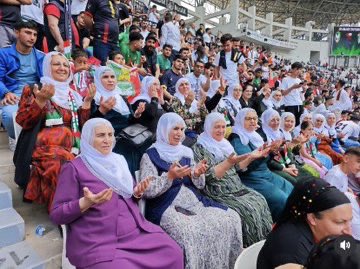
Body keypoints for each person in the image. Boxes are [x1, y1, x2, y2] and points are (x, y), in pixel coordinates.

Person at [50, 118, 184, 269]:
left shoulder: (118, 161)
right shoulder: (75, 168)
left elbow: (128, 195)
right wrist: (86, 203)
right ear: (88, 138)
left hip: (137, 233)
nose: (107, 140)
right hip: (99, 242)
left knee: (173, 253)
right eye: (101, 135)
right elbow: (57, 215)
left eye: (110, 134)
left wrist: (137, 193)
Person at [139, 113, 243, 269]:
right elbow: (147, 190)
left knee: (231, 217)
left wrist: (197, 174)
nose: (179, 133)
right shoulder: (150, 155)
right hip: (166, 205)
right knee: (190, 232)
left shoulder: (186, 152)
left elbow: (200, 185)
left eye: (182, 129)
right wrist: (169, 177)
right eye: (175, 128)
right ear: (163, 129)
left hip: (193, 201)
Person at [15, 52, 93, 211]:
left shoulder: (73, 95)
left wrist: (87, 103)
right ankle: (64, 212)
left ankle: (90, 208)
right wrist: (41, 100)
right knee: (62, 162)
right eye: (56, 64)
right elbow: (23, 121)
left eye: (65, 65)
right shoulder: (35, 89)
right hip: (45, 150)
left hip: (73, 147)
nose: (62, 68)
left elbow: (81, 126)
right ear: (47, 67)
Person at [193, 112, 273, 247]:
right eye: (217, 127)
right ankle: (249, 249)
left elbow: (237, 167)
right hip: (218, 192)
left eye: (223, 127)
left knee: (260, 200)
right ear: (208, 127)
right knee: (248, 211)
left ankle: (265, 245)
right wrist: (228, 163)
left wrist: (253, 157)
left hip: (237, 187)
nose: (221, 130)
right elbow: (207, 177)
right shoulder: (200, 147)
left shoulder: (225, 144)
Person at [257, 177, 352, 269]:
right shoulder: (293, 250)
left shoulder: (320, 235)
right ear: (313, 218)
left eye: (349, 221)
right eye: (340, 222)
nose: (348, 231)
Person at [228, 108, 294, 221]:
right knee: (280, 199)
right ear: (240, 120)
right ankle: (279, 226)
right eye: (248, 119)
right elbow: (246, 168)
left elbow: (266, 162)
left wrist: (272, 152)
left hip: (265, 173)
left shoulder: (255, 136)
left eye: (254, 118)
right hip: (251, 178)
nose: (253, 121)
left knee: (291, 189)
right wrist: (266, 153)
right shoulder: (237, 138)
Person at [90, 66, 146, 173]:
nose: (110, 80)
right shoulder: (95, 98)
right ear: (97, 79)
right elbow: (89, 125)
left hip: (129, 145)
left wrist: (137, 115)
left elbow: (129, 122)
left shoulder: (121, 98)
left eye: (112, 77)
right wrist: (101, 111)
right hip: (110, 147)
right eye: (105, 77)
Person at [0, 19, 44, 151]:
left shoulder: (41, 56)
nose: (32, 37)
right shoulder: (4, 53)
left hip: (36, 94)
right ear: (17, 33)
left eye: (35, 34)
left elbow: (47, 79)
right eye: (28, 33)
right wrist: (5, 93)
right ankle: (15, 138)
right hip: (13, 93)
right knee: (9, 114)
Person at [84, 0, 120, 65]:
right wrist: (94, 30)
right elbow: (87, 18)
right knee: (102, 67)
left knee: (117, 68)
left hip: (115, 43)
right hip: (102, 41)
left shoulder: (114, 4)